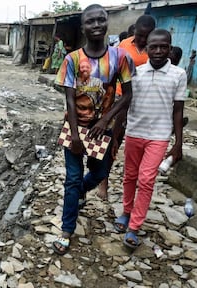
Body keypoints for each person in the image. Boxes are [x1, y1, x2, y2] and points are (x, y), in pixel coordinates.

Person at [52, 4, 135, 255]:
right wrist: (75, 135)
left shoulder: (120, 57)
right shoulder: (72, 59)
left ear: (107, 23)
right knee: (72, 179)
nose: (96, 24)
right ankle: (67, 230)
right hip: (75, 127)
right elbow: (69, 99)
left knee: (99, 173)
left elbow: (127, 95)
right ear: (83, 27)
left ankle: (80, 193)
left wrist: (104, 120)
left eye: (101, 20)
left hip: (103, 130)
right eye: (91, 21)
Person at [114, 29, 187, 249]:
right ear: (146, 49)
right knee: (130, 176)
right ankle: (126, 212)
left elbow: (178, 111)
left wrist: (178, 143)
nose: (158, 51)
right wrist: (116, 134)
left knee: (146, 181)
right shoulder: (135, 72)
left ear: (169, 48)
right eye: (153, 47)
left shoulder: (178, 74)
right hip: (135, 132)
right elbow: (125, 105)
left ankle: (134, 226)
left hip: (159, 136)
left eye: (163, 47)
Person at [97, 15, 156, 200]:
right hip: (121, 99)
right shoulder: (124, 45)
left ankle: (135, 182)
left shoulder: (155, 49)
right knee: (112, 138)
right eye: (139, 35)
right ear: (134, 31)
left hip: (143, 103)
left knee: (134, 142)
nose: (141, 40)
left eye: (146, 36)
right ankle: (103, 180)